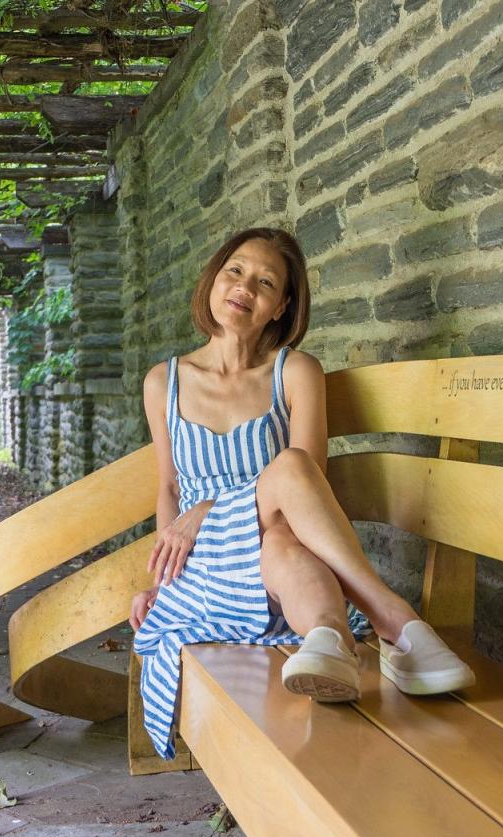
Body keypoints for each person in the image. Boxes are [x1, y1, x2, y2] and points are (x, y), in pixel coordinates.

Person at [129, 227, 475, 760]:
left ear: (282, 306)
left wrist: (211, 507)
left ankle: (329, 641)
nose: (245, 287)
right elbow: (170, 489)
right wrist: (163, 580)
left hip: (278, 564)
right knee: (286, 475)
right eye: (235, 271)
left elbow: (309, 482)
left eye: (266, 282)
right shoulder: (164, 382)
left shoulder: (295, 372)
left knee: (286, 525)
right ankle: (394, 620)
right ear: (214, 280)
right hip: (207, 573)